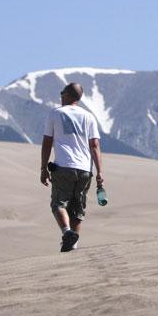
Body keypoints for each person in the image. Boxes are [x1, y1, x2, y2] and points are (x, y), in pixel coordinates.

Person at [40, 82, 104, 252]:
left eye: (62, 93)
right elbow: (95, 145)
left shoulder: (55, 114)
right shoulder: (89, 116)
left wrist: (42, 168)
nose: (60, 96)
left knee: (58, 205)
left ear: (68, 95)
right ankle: (72, 247)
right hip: (85, 169)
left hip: (63, 166)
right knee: (77, 210)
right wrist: (99, 172)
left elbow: (47, 142)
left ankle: (67, 233)